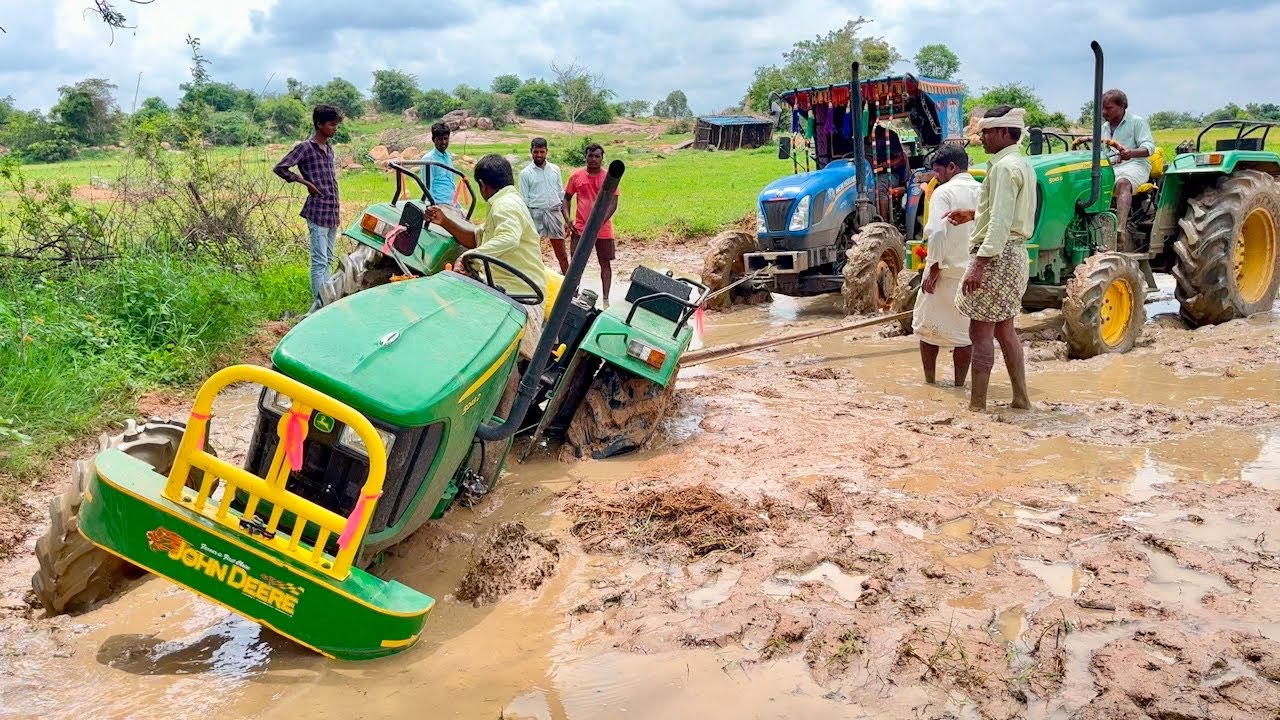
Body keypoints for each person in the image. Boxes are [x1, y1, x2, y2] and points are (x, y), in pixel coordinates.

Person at [945, 106, 1035, 412]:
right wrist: (973, 214)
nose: (981, 138)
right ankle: (1020, 398)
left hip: (998, 256)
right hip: (1014, 253)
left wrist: (979, 263)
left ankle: (977, 406)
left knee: (980, 332)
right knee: (1004, 330)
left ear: (1001, 132)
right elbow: (1003, 214)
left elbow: (999, 222)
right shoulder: (1020, 164)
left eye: (985, 132)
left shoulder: (1003, 168)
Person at [425, 154, 548, 361]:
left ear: (482, 185)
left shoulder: (506, 205)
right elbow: (477, 238)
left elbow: (508, 238)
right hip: (501, 288)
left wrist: (469, 256)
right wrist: (445, 221)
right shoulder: (507, 202)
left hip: (519, 295)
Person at [912, 145, 979, 387]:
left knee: (927, 329)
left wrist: (934, 267)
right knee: (964, 335)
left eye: (938, 171)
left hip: (945, 271)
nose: (937, 177)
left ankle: (930, 382)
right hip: (973, 273)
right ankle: (960, 385)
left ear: (951, 167)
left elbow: (938, 232)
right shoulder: (983, 192)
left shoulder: (944, 192)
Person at [274, 104, 344, 306]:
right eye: (331, 124)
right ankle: (319, 304)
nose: (335, 128)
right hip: (317, 210)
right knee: (319, 260)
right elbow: (280, 168)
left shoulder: (329, 149)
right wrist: (304, 182)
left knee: (328, 259)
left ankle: (327, 301)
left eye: (335, 124)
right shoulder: (305, 148)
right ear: (319, 124)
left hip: (331, 210)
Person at [562, 143, 620, 306]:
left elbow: (613, 203)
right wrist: (567, 219)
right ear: (585, 157)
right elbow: (566, 199)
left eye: (597, 156)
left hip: (603, 231)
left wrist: (598, 222)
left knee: (605, 264)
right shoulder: (576, 176)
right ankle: (572, 297)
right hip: (580, 229)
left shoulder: (609, 177)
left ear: (602, 158)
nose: (593, 159)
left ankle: (606, 299)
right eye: (590, 156)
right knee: (576, 265)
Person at [1100, 89, 1156, 249]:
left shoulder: (1137, 122)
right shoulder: (1103, 127)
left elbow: (1148, 147)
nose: (1104, 112)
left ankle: (1119, 230)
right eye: (1102, 108)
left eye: (1108, 108)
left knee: (1123, 183)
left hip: (1135, 165)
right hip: (1111, 167)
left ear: (1122, 106)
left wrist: (1131, 153)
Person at [519, 137, 567, 273]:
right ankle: (535, 282)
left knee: (562, 254)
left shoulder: (555, 169)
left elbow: (560, 193)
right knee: (534, 254)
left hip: (553, 212)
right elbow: (524, 200)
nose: (539, 155)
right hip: (535, 213)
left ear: (547, 151)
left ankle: (571, 287)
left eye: (541, 152)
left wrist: (566, 220)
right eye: (536, 152)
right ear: (531, 152)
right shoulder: (525, 173)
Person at [420, 122, 458, 208]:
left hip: (452, 202)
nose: (443, 142)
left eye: (446, 138)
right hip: (439, 203)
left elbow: (451, 182)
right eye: (440, 139)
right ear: (433, 139)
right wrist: (433, 206)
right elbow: (427, 187)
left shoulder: (448, 156)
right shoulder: (428, 159)